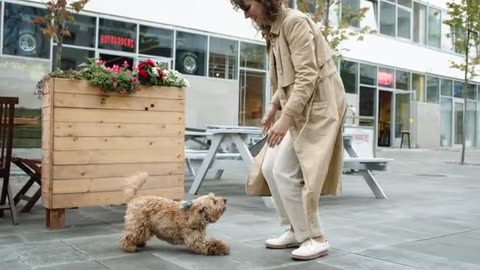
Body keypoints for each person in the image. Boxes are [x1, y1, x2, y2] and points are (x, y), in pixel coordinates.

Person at [230, 0, 347, 261]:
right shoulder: (274, 29)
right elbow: (284, 76)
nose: (246, 14)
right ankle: (295, 230)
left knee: (285, 170)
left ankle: (315, 238)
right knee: (270, 168)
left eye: (247, 6)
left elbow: (307, 76)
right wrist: (274, 106)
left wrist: (286, 118)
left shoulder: (294, 23)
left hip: (317, 107)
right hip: (300, 106)